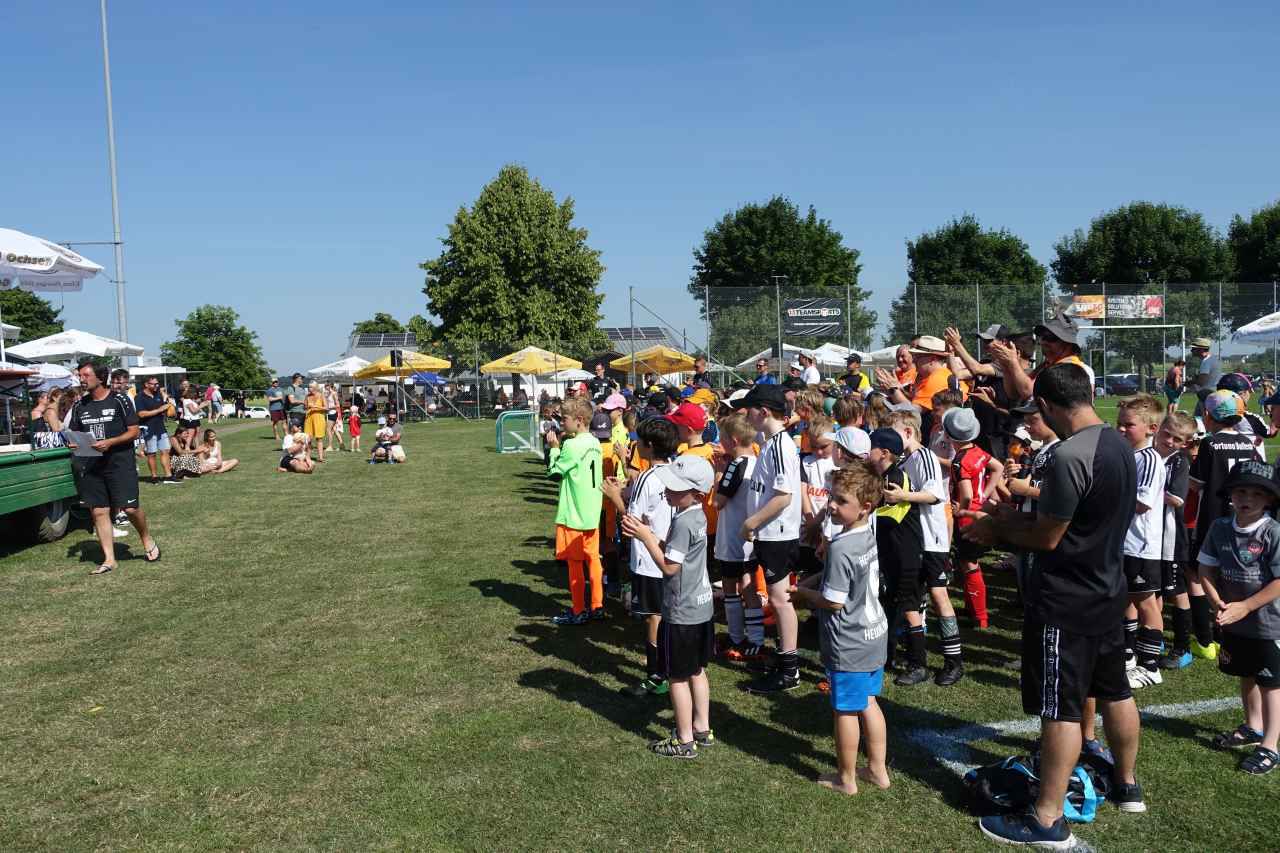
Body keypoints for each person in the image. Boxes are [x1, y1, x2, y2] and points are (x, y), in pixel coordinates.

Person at [966, 363, 1145, 849]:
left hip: (1067, 598)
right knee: (1115, 691)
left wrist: (995, 530)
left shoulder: (1070, 455)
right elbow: (1079, 521)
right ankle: (1127, 785)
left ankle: (1047, 819)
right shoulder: (1119, 444)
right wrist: (1010, 518)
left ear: (1045, 406)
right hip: (1107, 589)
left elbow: (1048, 538)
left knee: (1060, 708)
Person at [790, 462, 891, 794]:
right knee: (869, 702)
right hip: (873, 633)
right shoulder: (865, 535)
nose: (831, 505)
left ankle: (846, 779)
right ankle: (877, 770)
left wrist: (803, 594)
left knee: (845, 710)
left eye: (841, 500)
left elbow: (833, 601)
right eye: (832, 497)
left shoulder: (842, 547)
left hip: (849, 641)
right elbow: (848, 579)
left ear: (865, 506)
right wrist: (817, 577)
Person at [622, 454, 717, 759]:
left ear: (697, 493)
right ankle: (702, 728)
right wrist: (651, 534)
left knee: (677, 676)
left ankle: (684, 740)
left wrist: (644, 536)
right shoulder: (697, 516)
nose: (668, 491)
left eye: (676, 488)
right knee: (697, 670)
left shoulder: (684, 521)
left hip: (682, 611)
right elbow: (678, 554)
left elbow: (669, 566)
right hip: (701, 608)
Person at [1196, 459, 1280, 775]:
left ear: (1269, 499)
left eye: (1257, 494)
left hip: (1270, 623)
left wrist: (1246, 606)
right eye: (1241, 491)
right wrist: (1215, 600)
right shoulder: (1219, 527)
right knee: (1246, 674)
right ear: (1230, 494)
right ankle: (1252, 726)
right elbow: (1205, 568)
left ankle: (1270, 745)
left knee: (1271, 683)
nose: (1247, 499)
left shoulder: (1273, 532)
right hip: (1234, 620)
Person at [733, 384, 804, 694]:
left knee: (779, 600)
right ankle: (785, 660)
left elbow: (783, 496)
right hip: (771, 533)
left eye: (749, 408)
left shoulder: (779, 446)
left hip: (778, 534)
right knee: (778, 599)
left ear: (763, 412)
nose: (745, 413)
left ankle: (790, 670)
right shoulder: (772, 442)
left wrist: (752, 522)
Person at [887, 408, 965, 686]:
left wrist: (902, 496)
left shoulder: (925, 457)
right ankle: (917, 661)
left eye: (894, 433)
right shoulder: (906, 461)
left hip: (932, 540)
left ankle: (954, 662)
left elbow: (933, 494)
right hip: (913, 540)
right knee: (910, 598)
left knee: (938, 595)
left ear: (908, 432)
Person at [603, 417, 680, 697]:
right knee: (668, 614)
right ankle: (671, 667)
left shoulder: (648, 477)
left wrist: (614, 496)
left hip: (649, 559)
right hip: (672, 553)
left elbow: (631, 523)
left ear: (648, 446)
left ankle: (656, 675)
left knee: (653, 617)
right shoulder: (676, 471)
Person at [66, 361, 160, 575]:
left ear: (100, 378)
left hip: (120, 463)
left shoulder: (120, 400)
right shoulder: (80, 405)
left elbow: (134, 431)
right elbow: (74, 433)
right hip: (92, 465)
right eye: (80, 375)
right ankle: (109, 559)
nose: (81, 379)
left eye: (86, 375)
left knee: (130, 508)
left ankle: (146, 538)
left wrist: (110, 442)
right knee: (99, 511)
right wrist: (73, 443)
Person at [1186, 389, 1258, 661]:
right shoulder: (1247, 442)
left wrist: (1188, 459)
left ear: (1207, 414)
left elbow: (1196, 484)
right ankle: (1227, 631)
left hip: (1212, 518)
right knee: (1230, 574)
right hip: (1241, 518)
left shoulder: (1210, 443)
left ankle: (1205, 639)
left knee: (1197, 574)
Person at [1114, 394, 1169, 689]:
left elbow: (1142, 503)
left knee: (1147, 603)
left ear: (1151, 428)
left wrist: (1103, 502)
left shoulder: (1149, 458)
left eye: (1129, 425)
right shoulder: (1127, 455)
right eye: (1119, 423)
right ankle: (1127, 655)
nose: (1121, 429)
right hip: (1123, 543)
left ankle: (1150, 666)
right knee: (1126, 599)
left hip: (1140, 545)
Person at [545, 398, 606, 625]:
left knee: (575, 564)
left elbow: (554, 473)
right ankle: (597, 605)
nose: (562, 423)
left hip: (574, 514)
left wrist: (554, 449)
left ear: (579, 420)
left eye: (564, 419)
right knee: (593, 559)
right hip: (592, 511)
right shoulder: (595, 441)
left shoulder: (571, 445)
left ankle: (578, 609)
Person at [945, 407, 1004, 628]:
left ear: (949, 435)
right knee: (969, 563)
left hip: (967, 519)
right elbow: (998, 468)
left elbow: (967, 494)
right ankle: (973, 609)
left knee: (969, 564)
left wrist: (961, 509)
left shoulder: (959, 462)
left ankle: (979, 617)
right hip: (979, 513)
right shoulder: (977, 450)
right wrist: (985, 495)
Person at [712, 414, 761, 660]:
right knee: (749, 585)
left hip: (732, 536)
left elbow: (718, 502)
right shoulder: (758, 462)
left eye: (722, 438)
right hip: (751, 537)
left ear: (732, 440)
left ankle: (736, 636)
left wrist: (718, 473)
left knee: (731, 586)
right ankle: (756, 639)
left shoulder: (735, 466)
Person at [1154, 412, 1198, 670]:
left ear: (1185, 443)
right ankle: (1154, 639)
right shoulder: (1149, 454)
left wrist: (1144, 492)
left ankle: (1183, 647)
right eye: (1167, 434)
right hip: (1148, 538)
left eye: (1177, 439)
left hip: (1170, 540)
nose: (1169, 441)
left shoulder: (1179, 461)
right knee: (1154, 591)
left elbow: (1177, 499)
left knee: (1177, 592)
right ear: (1159, 428)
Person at [992, 309, 1096, 403]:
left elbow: (1028, 393)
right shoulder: (1046, 366)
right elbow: (1014, 394)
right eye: (1042, 337)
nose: (1043, 342)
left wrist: (1013, 362)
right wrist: (1006, 366)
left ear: (1068, 343)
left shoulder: (1078, 370)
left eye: (1050, 337)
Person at [134, 376, 181, 484]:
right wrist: (159, 410)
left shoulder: (158, 394)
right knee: (152, 453)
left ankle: (168, 476)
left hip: (161, 427)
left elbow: (165, 409)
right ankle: (154, 477)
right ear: (146, 384)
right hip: (148, 428)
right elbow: (141, 414)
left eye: (157, 383)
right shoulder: (139, 397)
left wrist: (169, 408)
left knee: (165, 451)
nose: (156, 386)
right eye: (153, 384)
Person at [304, 382, 328, 464]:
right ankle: (307, 457)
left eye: (310, 387)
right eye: (308, 387)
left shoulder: (321, 395)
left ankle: (320, 458)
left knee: (319, 438)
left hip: (319, 418)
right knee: (308, 439)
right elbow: (305, 407)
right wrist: (307, 406)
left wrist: (315, 406)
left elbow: (326, 408)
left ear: (315, 388)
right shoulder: (307, 396)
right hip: (309, 418)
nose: (309, 388)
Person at [325, 383, 345, 452]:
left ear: (330, 386)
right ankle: (342, 445)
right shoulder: (328, 394)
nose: (325, 387)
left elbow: (338, 405)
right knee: (334, 429)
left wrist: (329, 407)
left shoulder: (334, 394)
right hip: (330, 413)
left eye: (326, 386)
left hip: (333, 413)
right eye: (325, 386)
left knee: (328, 429)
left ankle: (330, 446)